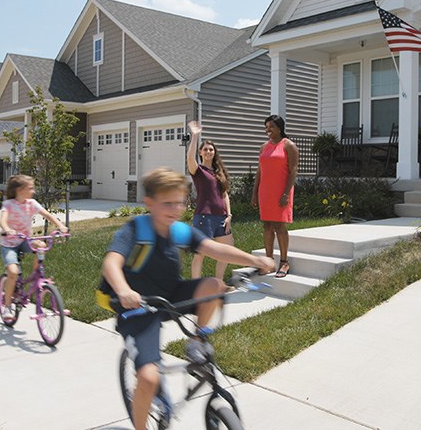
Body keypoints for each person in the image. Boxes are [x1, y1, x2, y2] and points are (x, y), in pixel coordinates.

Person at [100, 167, 274, 430]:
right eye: (167, 203)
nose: (175, 209)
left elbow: (215, 248)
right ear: (149, 203)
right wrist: (123, 290)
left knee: (214, 285)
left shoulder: (179, 231)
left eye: (180, 202)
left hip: (169, 297)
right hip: (137, 309)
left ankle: (196, 340)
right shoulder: (135, 229)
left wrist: (254, 260)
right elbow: (111, 263)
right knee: (148, 378)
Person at [0, 174, 68, 320]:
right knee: (13, 272)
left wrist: (60, 226)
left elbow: (48, 215)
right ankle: (8, 306)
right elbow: (2, 221)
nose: (33, 191)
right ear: (20, 190)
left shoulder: (32, 203)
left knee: (41, 245)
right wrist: (7, 229)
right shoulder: (8, 204)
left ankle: (37, 274)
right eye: (30, 188)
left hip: (25, 240)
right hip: (9, 243)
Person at [186, 120, 241, 280]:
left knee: (228, 249)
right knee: (200, 253)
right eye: (205, 149)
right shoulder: (198, 171)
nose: (209, 151)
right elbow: (190, 157)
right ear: (201, 153)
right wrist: (195, 136)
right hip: (204, 217)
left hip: (221, 218)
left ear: (214, 152)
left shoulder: (218, 172)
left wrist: (229, 215)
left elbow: (224, 194)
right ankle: (195, 287)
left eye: (211, 149)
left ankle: (218, 283)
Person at [251, 114, 299, 278]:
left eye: (271, 127)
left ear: (279, 127)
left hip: (281, 191)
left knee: (280, 226)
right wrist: (255, 192)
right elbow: (259, 171)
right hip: (266, 191)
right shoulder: (263, 147)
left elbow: (293, 171)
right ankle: (269, 262)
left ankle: (284, 262)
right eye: (266, 127)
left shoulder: (289, 146)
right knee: (267, 226)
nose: (268, 130)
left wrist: (286, 193)